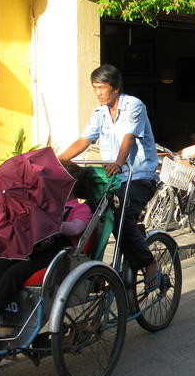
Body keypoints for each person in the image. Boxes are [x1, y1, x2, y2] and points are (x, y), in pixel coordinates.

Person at [0, 162, 93, 335]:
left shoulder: (81, 208)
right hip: (28, 247)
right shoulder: (44, 204)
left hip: (55, 253)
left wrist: (50, 224)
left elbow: (76, 228)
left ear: (69, 185)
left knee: (15, 273)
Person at [59, 64, 161, 291]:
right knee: (91, 222)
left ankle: (149, 262)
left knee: (121, 220)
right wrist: (58, 160)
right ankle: (92, 276)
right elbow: (84, 140)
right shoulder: (99, 113)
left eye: (101, 87)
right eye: (94, 88)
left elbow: (129, 138)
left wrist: (119, 161)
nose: (97, 92)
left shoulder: (134, 105)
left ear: (115, 88)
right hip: (110, 178)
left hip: (138, 176)